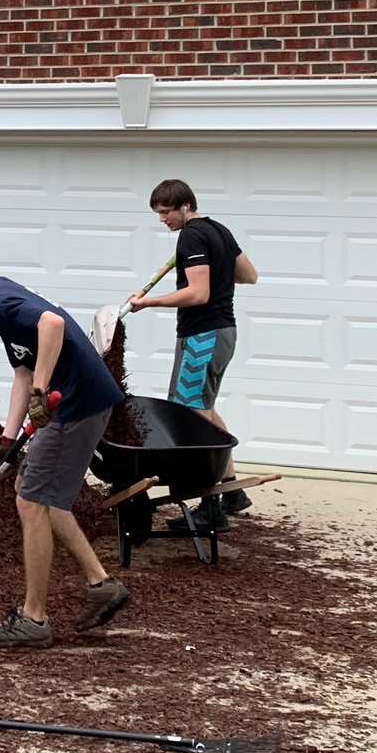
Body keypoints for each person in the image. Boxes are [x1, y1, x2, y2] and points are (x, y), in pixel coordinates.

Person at [0, 259, 131, 646]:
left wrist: (41, 393)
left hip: (76, 406)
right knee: (39, 494)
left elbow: (53, 324)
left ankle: (34, 620)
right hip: (81, 403)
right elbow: (23, 373)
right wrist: (7, 439)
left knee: (32, 502)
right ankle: (102, 583)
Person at [128, 178, 259, 521]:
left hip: (202, 336)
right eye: (158, 213)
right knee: (205, 409)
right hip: (223, 332)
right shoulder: (219, 231)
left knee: (192, 417)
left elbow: (198, 294)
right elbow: (248, 275)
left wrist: (149, 302)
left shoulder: (191, 236)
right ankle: (231, 492)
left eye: (167, 211)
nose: (163, 219)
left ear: (185, 205)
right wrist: (217, 270)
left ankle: (210, 507)